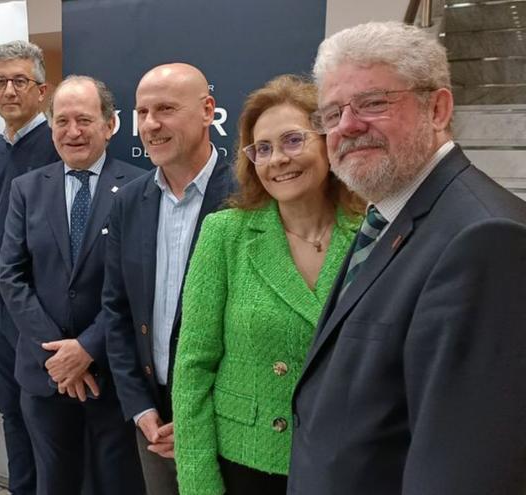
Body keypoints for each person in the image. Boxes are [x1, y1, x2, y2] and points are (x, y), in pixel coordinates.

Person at [287, 21, 526, 495]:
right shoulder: (391, 212)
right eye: (332, 113)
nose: (348, 126)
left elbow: (465, 471)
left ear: (437, 108)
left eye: (373, 103)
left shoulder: (485, 239)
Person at [171, 75, 363, 495]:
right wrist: (198, 483)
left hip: (344, 465)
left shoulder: (371, 234)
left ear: (328, 141)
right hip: (245, 462)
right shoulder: (226, 234)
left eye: (294, 140)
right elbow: (192, 368)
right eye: (263, 148)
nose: (277, 159)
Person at [0, 75, 145, 495]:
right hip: (44, 374)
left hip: (111, 373)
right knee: (54, 483)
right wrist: (60, 355)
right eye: (61, 121)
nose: (73, 132)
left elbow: (139, 283)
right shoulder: (26, 189)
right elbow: (11, 275)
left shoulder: (139, 188)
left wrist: (86, 349)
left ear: (111, 124)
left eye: (84, 119)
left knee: (116, 484)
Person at [104, 63, 236, 495]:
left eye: (165, 109)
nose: (150, 124)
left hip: (226, 413)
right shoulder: (128, 203)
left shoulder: (247, 197)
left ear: (207, 111)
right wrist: (138, 406)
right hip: (153, 416)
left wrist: (205, 412)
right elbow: (117, 310)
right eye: (142, 112)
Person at [0, 40, 60, 495]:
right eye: (0, 81)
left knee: (43, 418)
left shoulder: (56, 145)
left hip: (34, 307)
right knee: (10, 413)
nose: (9, 90)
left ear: (41, 90)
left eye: (20, 81)